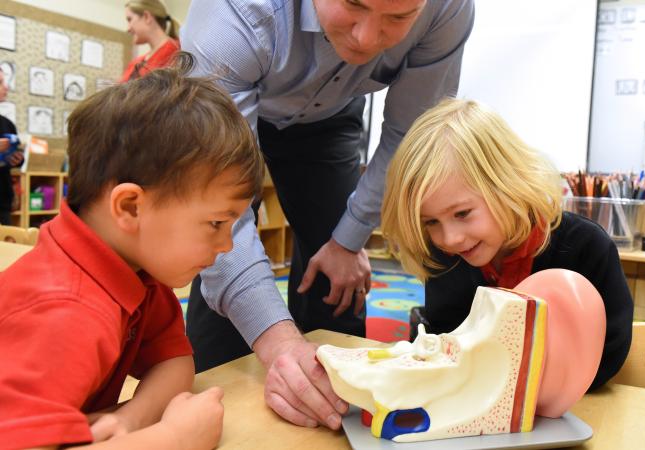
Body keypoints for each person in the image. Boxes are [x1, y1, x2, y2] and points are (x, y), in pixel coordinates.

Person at [180, 0, 475, 430]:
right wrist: (278, 343)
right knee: (215, 247)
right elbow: (213, 215)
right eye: (353, 5)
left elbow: (407, 135)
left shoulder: (448, 8)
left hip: (330, 119)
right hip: (233, 104)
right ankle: (219, 388)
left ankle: (332, 396)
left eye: (397, 18)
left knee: (337, 283)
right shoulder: (231, 16)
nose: (366, 39)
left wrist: (347, 240)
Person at [0, 59, 266, 448]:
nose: (227, 245)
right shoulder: (63, 311)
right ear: (129, 207)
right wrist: (173, 438)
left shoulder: (137, 272)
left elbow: (174, 361)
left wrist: (130, 420)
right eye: (216, 223)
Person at [381, 98, 634, 390]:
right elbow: (446, 346)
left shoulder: (587, 248)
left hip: (574, 411)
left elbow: (609, 355)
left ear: (507, 185)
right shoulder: (447, 258)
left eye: (462, 214)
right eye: (431, 222)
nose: (449, 239)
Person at [121, 0, 180, 82]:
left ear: (146, 17)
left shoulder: (176, 53)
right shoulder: (136, 62)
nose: (128, 29)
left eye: (130, 19)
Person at [0, 71, 24, 225]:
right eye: (1, 82)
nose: (6, 87)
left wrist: (17, 159)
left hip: (2, 202)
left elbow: (17, 161)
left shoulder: (7, 124)